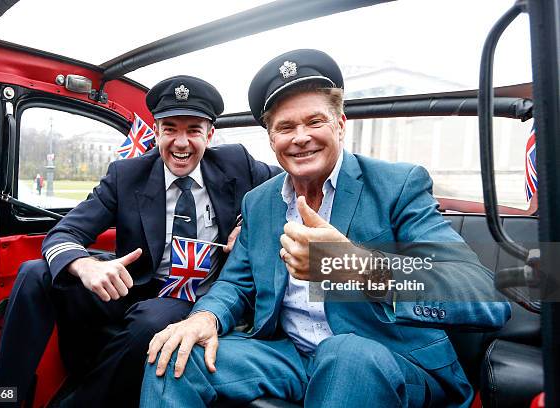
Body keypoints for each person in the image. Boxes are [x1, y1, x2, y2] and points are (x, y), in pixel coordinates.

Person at [141, 50, 512, 407]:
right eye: (285, 127)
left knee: (344, 353)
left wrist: (354, 264)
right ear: (272, 140)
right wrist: (205, 318)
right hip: (291, 354)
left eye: (315, 121)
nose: (300, 137)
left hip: (387, 357)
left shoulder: (397, 185)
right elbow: (236, 283)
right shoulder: (259, 202)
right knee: (174, 352)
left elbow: (483, 296)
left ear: (340, 124)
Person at [0, 75, 280, 407]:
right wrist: (86, 266)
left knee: (152, 322)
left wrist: (246, 222)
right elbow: (64, 232)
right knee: (34, 274)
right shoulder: (126, 175)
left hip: (196, 292)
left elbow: (286, 183)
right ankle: (3, 400)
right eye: (170, 128)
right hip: (135, 283)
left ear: (210, 135)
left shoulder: (237, 163)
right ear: (156, 131)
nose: (181, 142)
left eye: (193, 131)